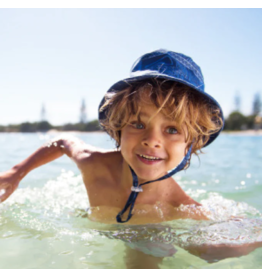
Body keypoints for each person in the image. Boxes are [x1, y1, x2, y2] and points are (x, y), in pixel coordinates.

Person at [3, 49, 261, 266]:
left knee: (163, 248)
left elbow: (224, 239)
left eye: (172, 129)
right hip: (102, 220)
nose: (152, 139)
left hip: (147, 234)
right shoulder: (94, 163)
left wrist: (225, 246)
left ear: (191, 144)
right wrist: (17, 172)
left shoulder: (179, 206)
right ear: (118, 129)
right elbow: (62, 142)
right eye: (138, 124)